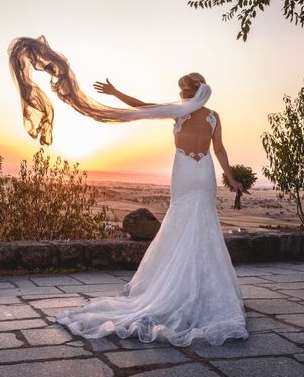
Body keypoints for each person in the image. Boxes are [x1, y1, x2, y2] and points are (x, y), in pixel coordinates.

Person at [55, 73, 250, 347]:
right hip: (203, 172)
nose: (180, 95)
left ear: (187, 92)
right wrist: (231, 178)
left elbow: (142, 106)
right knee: (203, 225)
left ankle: (178, 288)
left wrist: (115, 92)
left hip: (183, 171)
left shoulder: (179, 113)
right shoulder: (213, 116)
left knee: (181, 223)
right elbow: (219, 150)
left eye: (181, 90)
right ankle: (206, 291)